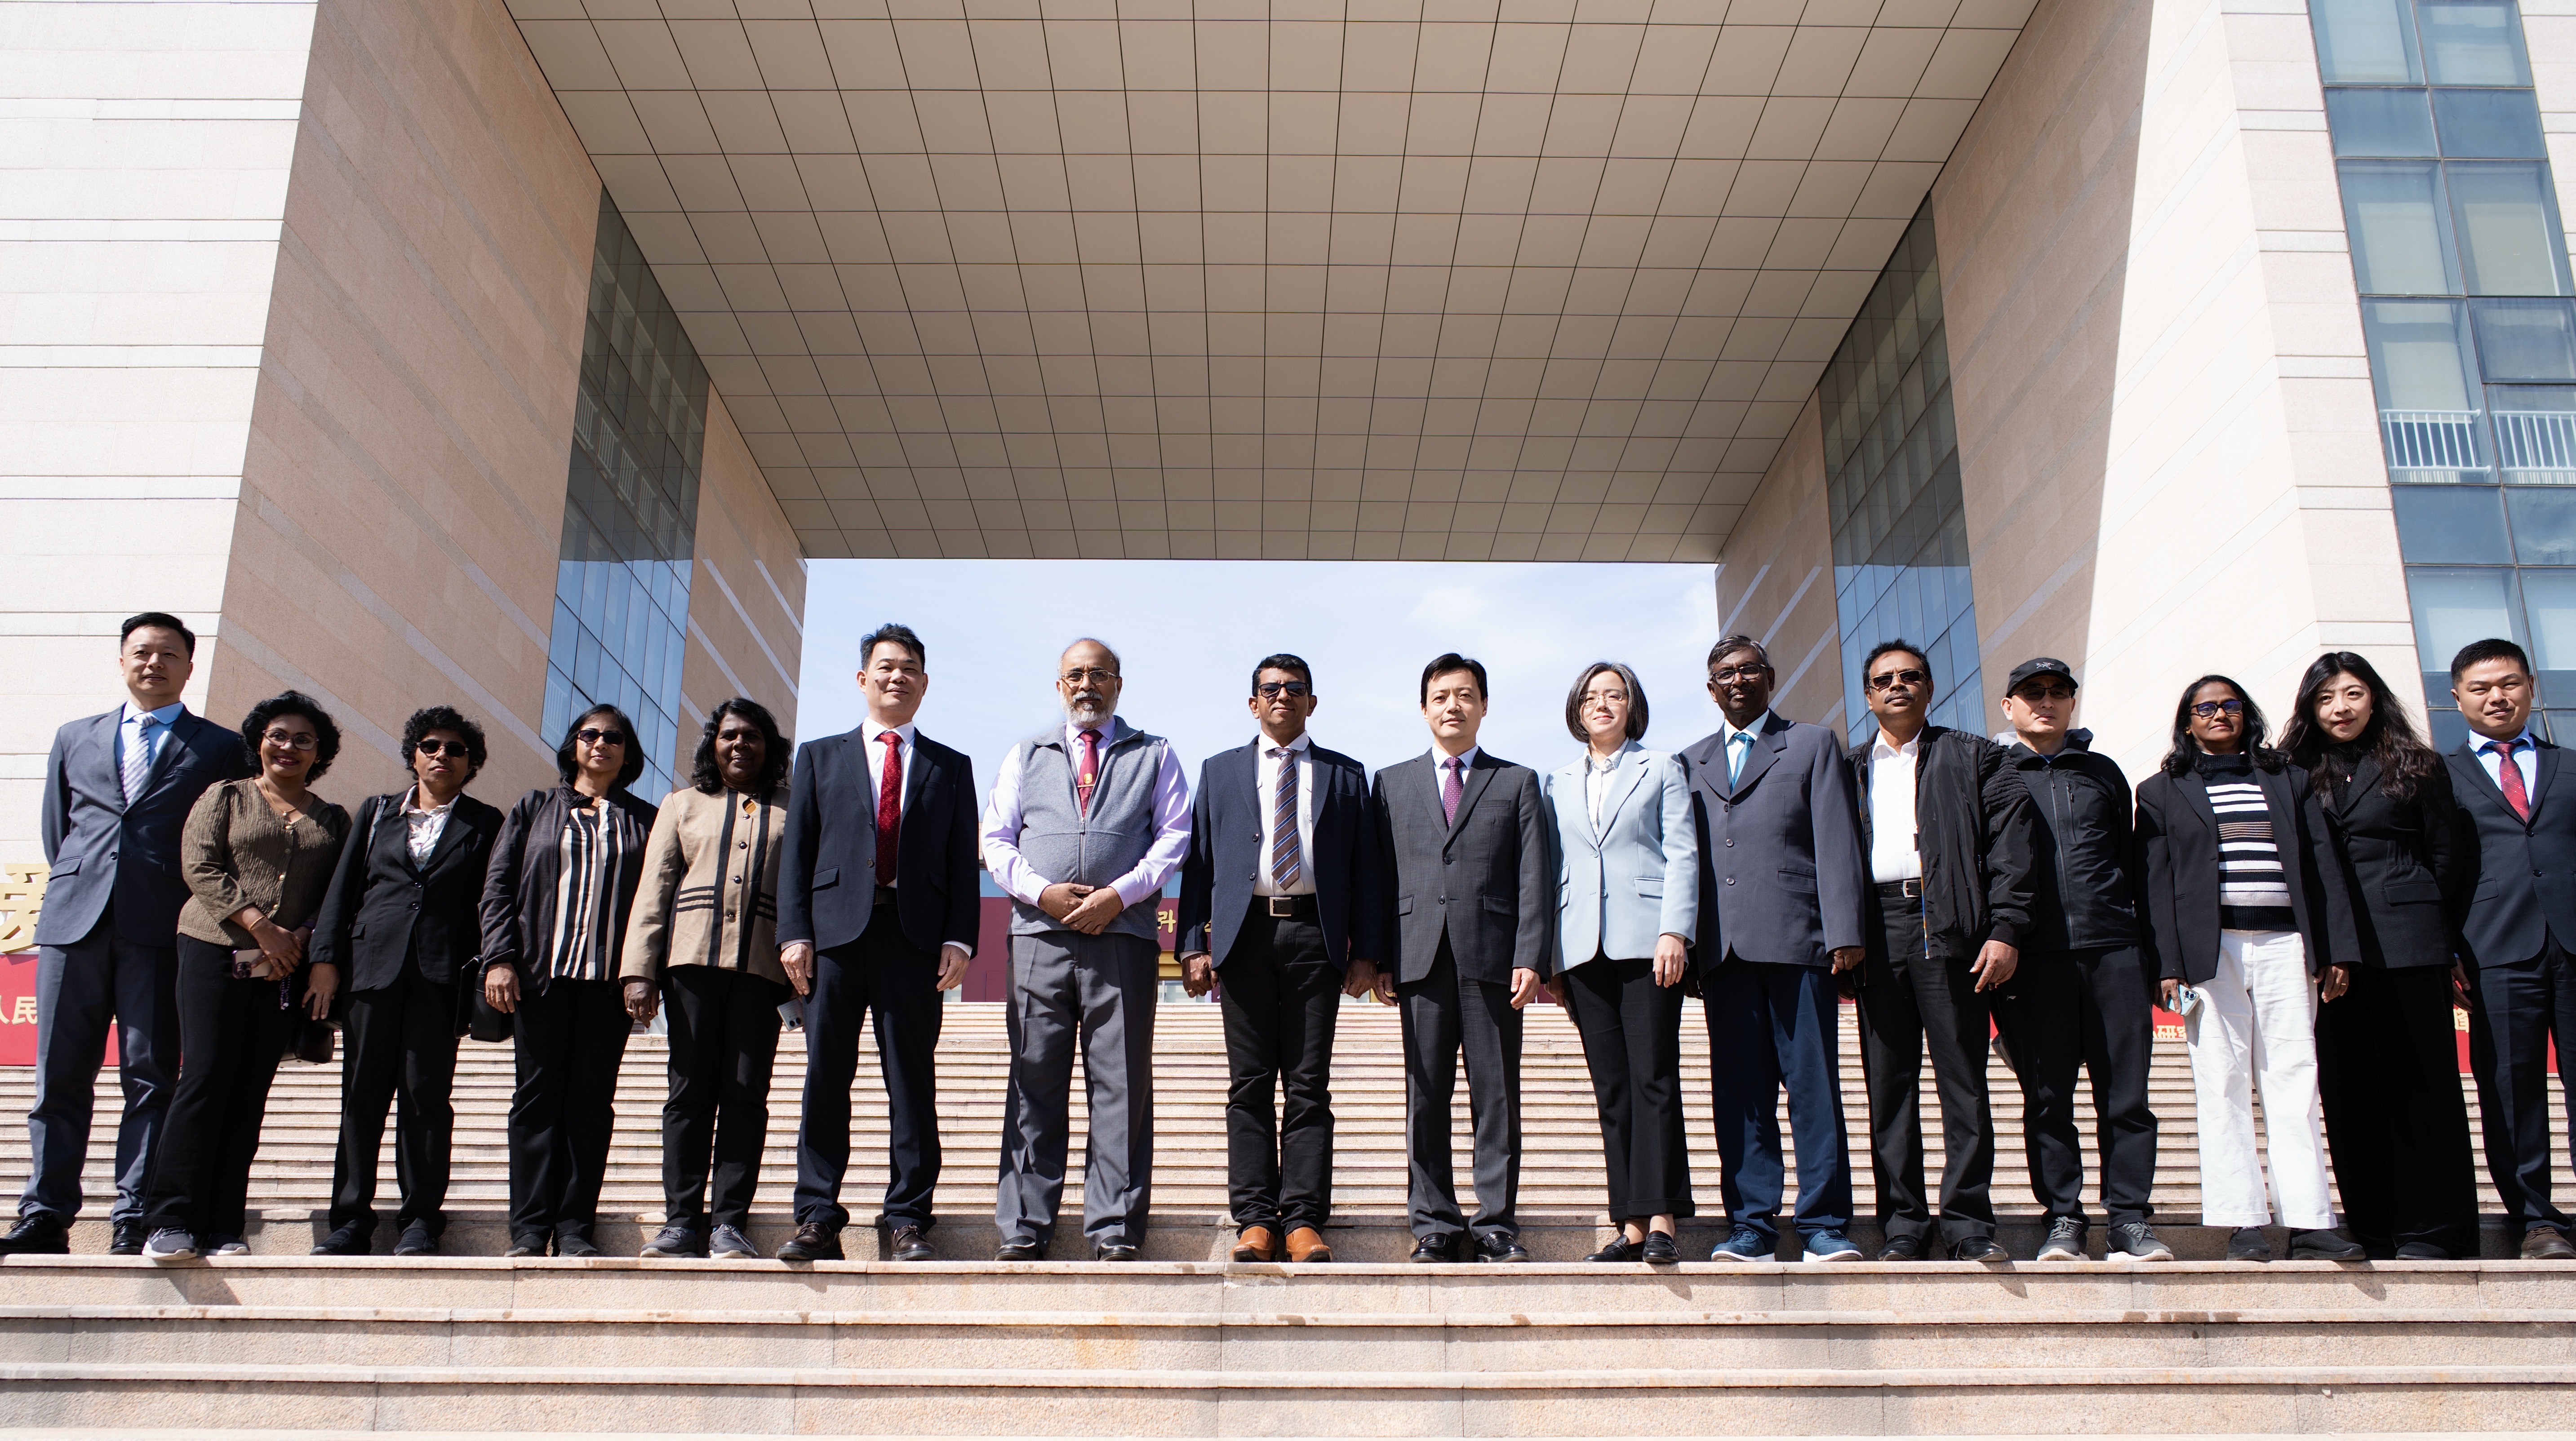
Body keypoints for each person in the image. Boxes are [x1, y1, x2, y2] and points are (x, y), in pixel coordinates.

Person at [2, 613, 251, 1258]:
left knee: (150, 1074)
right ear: (122, 661)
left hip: (162, 927)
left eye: (168, 654)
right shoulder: (74, 736)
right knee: (59, 1076)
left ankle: (134, 1211)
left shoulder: (220, 747)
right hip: (73, 924)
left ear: (189, 667)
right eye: (141, 652)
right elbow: (61, 830)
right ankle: (45, 1212)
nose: (153, 663)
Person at [2136, 675, 2363, 1262]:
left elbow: (2321, 864)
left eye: (2229, 704)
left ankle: (2310, 1222)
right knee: (2221, 1082)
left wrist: (2335, 949)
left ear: (2246, 714)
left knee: (2294, 1078)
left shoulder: (2288, 779)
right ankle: (2242, 1222)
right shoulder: (2161, 791)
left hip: (2287, 945)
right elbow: (2155, 884)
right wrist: (2166, 964)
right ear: (2188, 722)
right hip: (2211, 955)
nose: (2219, 714)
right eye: (2205, 707)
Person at [776, 624, 980, 1264]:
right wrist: (794, 933)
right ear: (863, 679)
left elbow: (962, 859)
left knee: (912, 1082)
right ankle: (817, 1215)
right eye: (886, 667)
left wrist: (960, 937)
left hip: (914, 940)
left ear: (925, 682)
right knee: (825, 1078)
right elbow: (797, 851)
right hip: (834, 939)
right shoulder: (819, 756)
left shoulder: (951, 766)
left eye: (909, 668)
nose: (898, 677)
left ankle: (909, 1217)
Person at [982, 638, 1190, 1261]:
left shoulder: (1155, 753)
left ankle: (1114, 1226)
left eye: (1099, 674)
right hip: (1038, 937)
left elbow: (1174, 837)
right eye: (1075, 674)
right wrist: (1041, 892)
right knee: (1033, 1080)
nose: (1086, 685)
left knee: (1120, 1084)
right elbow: (996, 839)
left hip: (1121, 937)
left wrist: (1118, 895)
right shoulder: (1026, 754)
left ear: (1118, 684)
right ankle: (1024, 1225)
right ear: (1059, 686)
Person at [1178, 654, 1388, 1265]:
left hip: (1314, 937)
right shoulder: (1219, 771)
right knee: (1248, 1085)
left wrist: (1367, 953)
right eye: (1270, 688)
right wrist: (1193, 943)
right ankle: (1254, 1220)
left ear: (1311, 702)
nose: (1282, 696)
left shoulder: (1345, 774)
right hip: (1244, 938)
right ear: (1253, 703)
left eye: (1295, 688)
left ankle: (1301, 1219)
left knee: (1308, 1085)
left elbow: (1367, 870)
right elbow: (1199, 863)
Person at [2279, 652, 2479, 1260]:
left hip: (2408, 940)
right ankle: (2371, 1227)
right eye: (2325, 698)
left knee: (2421, 1086)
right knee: (2349, 1090)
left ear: (2374, 698)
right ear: (2310, 708)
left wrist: (2440, 935)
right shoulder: (2292, 771)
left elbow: (2446, 854)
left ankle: (2434, 1231)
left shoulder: (2417, 764)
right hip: (2331, 952)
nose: (2340, 708)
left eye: (2352, 693)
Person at [137, 692, 351, 1259]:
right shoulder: (226, 796)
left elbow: (339, 891)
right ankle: (171, 1219)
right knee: (205, 1078)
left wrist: (300, 937)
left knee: (250, 1090)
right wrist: (260, 925)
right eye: (278, 736)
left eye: (303, 740)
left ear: (320, 752)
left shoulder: (332, 819)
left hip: (284, 967)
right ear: (259, 741)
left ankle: (223, 1226)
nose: (289, 747)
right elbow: (200, 865)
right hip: (213, 949)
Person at [1675, 635, 1868, 1263]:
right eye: (1724, 674)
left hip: (1798, 941)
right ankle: (1751, 1224)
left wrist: (1844, 931)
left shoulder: (1811, 743)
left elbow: (1836, 836)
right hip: (1723, 951)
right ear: (1711, 690)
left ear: (1769, 676)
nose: (1737, 680)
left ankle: (1823, 1223)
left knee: (1812, 1086)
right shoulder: (1690, 761)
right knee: (1740, 1093)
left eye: (1748, 670)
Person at [1846, 642, 2036, 1264]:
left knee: (1963, 1082)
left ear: (1929, 688)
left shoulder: (1976, 755)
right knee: (1888, 1087)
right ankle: (1903, 1223)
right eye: (1883, 680)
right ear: (1868, 696)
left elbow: (2011, 852)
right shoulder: (1850, 769)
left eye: (1910, 676)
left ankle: (1967, 1221)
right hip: (1877, 931)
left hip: (1951, 927)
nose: (1896, 686)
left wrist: (2005, 929)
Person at [1370, 652, 1550, 1264]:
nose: (1454, 705)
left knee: (1496, 1095)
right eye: (1442, 696)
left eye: (1466, 694)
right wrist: (1379, 956)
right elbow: (1379, 877)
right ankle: (1435, 1223)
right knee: (1425, 1095)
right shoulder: (1390, 783)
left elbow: (1533, 874)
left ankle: (1496, 1222)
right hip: (1417, 956)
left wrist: (1530, 953)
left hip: (1494, 961)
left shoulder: (1516, 781)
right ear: (1424, 708)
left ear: (1484, 705)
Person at [1992, 658, 2169, 1263]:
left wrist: (2150, 952)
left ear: (2071, 703)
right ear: (2008, 706)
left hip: (2113, 949)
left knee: (2126, 1096)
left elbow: (2131, 860)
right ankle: (2063, 1217)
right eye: (2032, 693)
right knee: (2047, 1098)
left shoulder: (2102, 772)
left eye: (2057, 692)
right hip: (2033, 958)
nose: (2045, 702)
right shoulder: (1993, 774)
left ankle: (2129, 1218)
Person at [309, 706, 504, 1257]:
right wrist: (325, 959)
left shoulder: (486, 822)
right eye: (430, 746)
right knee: (361, 1097)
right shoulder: (376, 813)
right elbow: (343, 890)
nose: (442, 756)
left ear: (471, 763)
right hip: (370, 970)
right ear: (413, 755)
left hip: (440, 976)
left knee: (426, 1097)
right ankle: (350, 1220)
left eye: (456, 749)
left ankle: (420, 1219)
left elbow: (493, 899)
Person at [479, 705, 658, 1258]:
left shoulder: (646, 820)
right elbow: (499, 888)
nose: (600, 743)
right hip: (541, 978)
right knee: (535, 1101)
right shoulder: (534, 808)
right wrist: (499, 959)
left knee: (591, 1102)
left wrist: (643, 973)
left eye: (613, 737)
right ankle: (530, 1229)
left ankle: (576, 1226)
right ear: (574, 744)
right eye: (590, 734)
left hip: (607, 985)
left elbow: (656, 903)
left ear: (628, 753)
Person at [625, 699, 795, 1261]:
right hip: (690, 967)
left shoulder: (795, 809)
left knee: (745, 1094)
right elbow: (655, 888)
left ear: (769, 747)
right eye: (729, 736)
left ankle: (728, 1224)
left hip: (762, 972)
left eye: (752, 736)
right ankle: (680, 1221)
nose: (740, 745)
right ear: (713, 745)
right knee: (689, 1092)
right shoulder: (682, 805)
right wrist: (639, 971)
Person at [1542, 661, 1697, 1264]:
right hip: (1581, 948)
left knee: (1652, 1076)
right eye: (1590, 696)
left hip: (1647, 942)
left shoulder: (1660, 766)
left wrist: (1674, 930)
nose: (1601, 703)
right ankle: (1629, 1222)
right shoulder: (1556, 782)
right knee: (1611, 1086)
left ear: (1632, 706)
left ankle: (1661, 1217)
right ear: (1575, 709)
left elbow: (1681, 852)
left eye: (1614, 694)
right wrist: (1551, 960)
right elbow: (1551, 867)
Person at [2443, 638, 2576, 1260]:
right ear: (2458, 699)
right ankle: (2536, 1221)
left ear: (2530, 687)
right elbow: (2436, 867)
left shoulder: (2568, 765)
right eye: (2481, 688)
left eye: (2509, 684)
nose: (2497, 697)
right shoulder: (2439, 777)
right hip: (2493, 950)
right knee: (2510, 1090)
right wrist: (2447, 949)